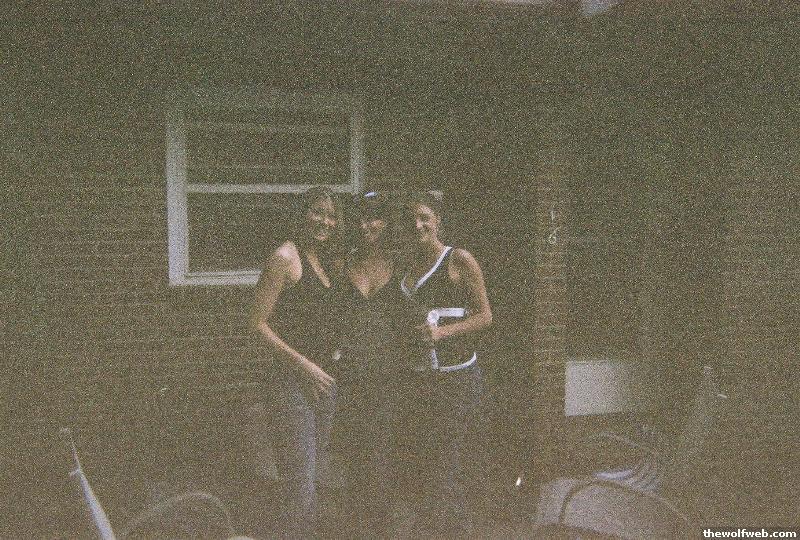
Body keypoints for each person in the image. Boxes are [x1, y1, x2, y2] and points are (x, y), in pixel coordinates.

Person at [396, 191, 493, 538]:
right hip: (420, 379)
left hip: (456, 379)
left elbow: (485, 316)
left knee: (446, 462)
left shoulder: (458, 260)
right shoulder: (407, 265)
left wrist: (443, 333)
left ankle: (449, 530)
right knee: (427, 461)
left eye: (425, 217)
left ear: (438, 220)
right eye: (412, 219)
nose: (418, 225)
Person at [250, 186, 342, 539]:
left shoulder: (322, 259)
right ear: (302, 213)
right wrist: (304, 365)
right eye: (318, 212)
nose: (325, 221)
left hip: (324, 384)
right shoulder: (284, 257)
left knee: (311, 482)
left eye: (331, 216)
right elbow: (256, 324)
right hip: (290, 385)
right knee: (299, 486)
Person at [332, 192, 407, 537]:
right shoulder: (341, 264)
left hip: (389, 376)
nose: (366, 225)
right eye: (360, 218)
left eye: (374, 218)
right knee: (352, 454)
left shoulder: (401, 266)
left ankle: (379, 529)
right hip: (348, 374)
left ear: (386, 223)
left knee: (382, 456)